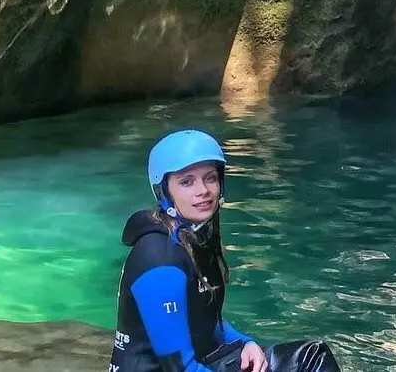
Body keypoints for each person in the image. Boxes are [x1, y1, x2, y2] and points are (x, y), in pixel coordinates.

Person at [109, 128, 343, 372]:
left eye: (210, 177)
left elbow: (205, 322)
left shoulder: (190, 236)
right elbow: (180, 367)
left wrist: (245, 343)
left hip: (201, 361)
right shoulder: (159, 259)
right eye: (187, 181)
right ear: (163, 190)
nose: (203, 190)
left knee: (311, 356)